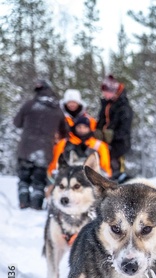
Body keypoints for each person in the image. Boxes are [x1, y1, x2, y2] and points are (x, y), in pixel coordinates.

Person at [14, 79, 68, 210]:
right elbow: (65, 131)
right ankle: (37, 205)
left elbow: (17, 122)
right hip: (45, 150)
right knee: (39, 180)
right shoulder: (57, 109)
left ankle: (23, 202)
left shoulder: (29, 105)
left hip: (25, 149)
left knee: (24, 179)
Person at [48, 115, 112, 179]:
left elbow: (105, 168)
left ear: (89, 128)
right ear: (74, 127)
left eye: (85, 127)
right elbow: (55, 164)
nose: (82, 130)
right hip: (67, 177)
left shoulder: (99, 145)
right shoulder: (64, 143)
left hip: (91, 179)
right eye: (79, 127)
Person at [96, 75, 133, 183]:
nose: (104, 94)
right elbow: (101, 120)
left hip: (119, 143)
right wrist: (98, 131)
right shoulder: (105, 105)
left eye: (107, 92)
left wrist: (112, 135)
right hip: (104, 143)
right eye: (104, 92)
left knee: (116, 166)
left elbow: (125, 129)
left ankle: (121, 183)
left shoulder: (124, 107)